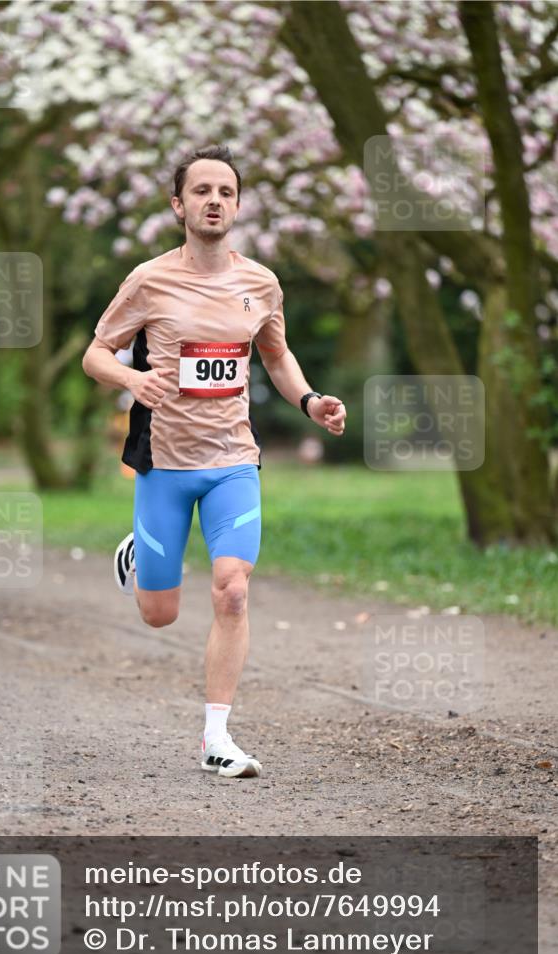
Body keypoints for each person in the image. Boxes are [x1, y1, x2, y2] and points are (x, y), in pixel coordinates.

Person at [82, 144, 346, 778]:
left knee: (232, 592)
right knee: (159, 614)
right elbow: (95, 353)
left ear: (238, 206)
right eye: (201, 191)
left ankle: (217, 737)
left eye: (225, 192)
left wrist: (310, 401)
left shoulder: (261, 283)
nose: (214, 201)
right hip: (165, 464)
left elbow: (276, 356)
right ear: (179, 205)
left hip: (233, 460)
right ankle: (139, 554)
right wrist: (132, 379)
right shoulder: (148, 280)